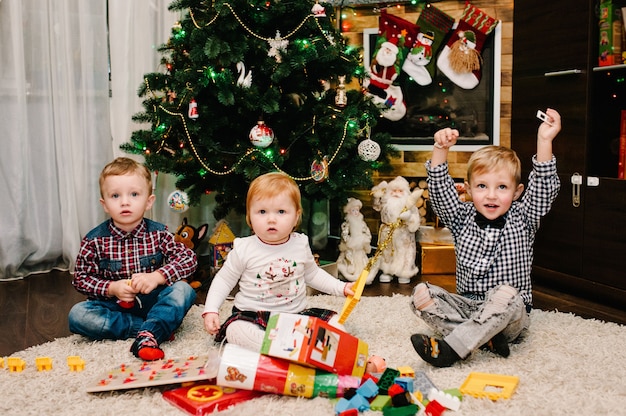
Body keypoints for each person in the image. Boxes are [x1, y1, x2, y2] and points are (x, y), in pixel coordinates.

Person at [410, 108, 562, 367]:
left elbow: (544, 189)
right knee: (421, 294)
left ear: (516, 192)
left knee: (506, 294)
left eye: (502, 187)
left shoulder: (524, 216)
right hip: (468, 306)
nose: (491, 195)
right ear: (468, 190)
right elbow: (439, 192)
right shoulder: (461, 217)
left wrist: (545, 140)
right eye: (482, 186)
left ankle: (453, 348)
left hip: (511, 316)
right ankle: (485, 338)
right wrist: (440, 148)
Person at [202, 172, 355, 351]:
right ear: (249, 216)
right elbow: (224, 279)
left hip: (295, 316)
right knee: (235, 331)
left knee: (335, 324)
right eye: (262, 212)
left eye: (281, 212)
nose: (271, 219)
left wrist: (341, 288)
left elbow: (312, 274)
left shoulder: (300, 244)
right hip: (254, 316)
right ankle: (284, 347)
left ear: (296, 217)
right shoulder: (244, 248)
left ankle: (290, 346)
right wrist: (211, 309)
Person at [69, 157, 197, 361]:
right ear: (105, 204)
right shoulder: (94, 240)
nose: (125, 202)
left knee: (184, 290)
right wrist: (112, 288)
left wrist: (157, 276)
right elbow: (81, 279)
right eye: (115, 195)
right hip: (114, 306)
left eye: (134, 194)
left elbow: (188, 258)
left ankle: (153, 326)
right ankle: (152, 330)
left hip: (153, 300)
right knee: (78, 315)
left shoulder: (159, 233)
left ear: (149, 201)